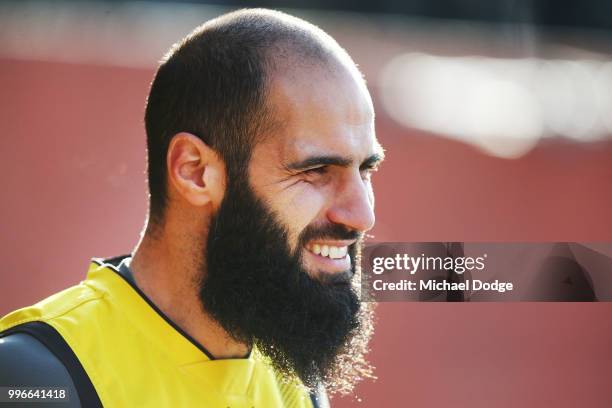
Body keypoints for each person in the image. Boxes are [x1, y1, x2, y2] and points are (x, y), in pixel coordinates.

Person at [0, 8, 384, 407]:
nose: (361, 215)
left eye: (366, 170)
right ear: (195, 171)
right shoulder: (36, 379)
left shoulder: (294, 387)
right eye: (317, 170)